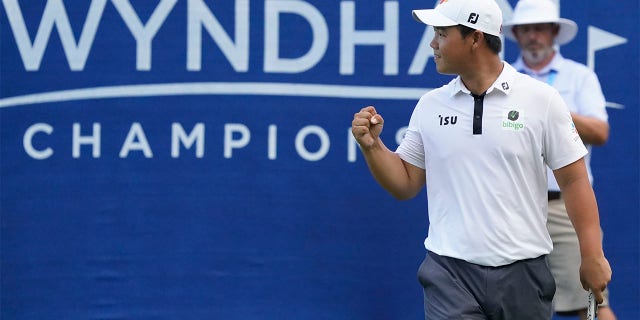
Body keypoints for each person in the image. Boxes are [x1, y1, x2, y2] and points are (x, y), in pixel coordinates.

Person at [351, 0, 612, 319]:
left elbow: (574, 180)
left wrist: (593, 254)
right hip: (449, 272)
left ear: (474, 38)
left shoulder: (541, 100)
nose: (433, 43)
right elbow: (405, 184)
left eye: (442, 34)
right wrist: (372, 147)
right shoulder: (430, 106)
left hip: (524, 272)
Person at [502, 0, 615, 319]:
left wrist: (551, 108)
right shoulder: (504, 80)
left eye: (539, 28)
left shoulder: (580, 76)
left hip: (564, 207)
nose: (533, 36)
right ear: (517, 35)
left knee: (593, 303)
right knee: (513, 306)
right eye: (526, 29)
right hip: (514, 208)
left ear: (554, 32)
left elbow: (600, 131)